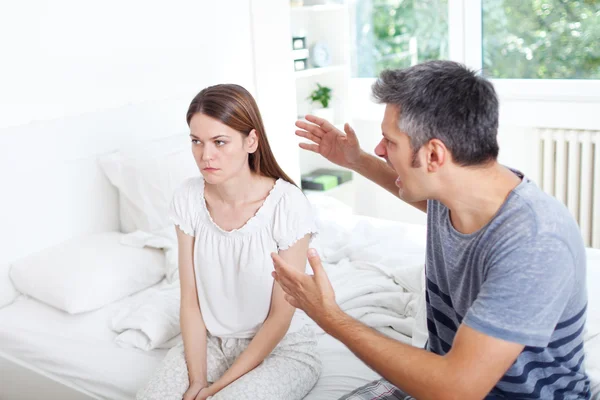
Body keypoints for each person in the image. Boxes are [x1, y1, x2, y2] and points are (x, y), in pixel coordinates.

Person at [272, 60, 590, 399]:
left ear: (434, 155)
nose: (380, 149)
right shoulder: (461, 185)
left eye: (389, 142)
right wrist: (355, 159)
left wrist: (329, 315)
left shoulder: (536, 242)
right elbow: (411, 190)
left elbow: (457, 388)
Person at [137, 84, 321, 400]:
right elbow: (190, 300)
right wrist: (197, 381)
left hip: (282, 348)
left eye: (220, 142)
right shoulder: (188, 198)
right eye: (197, 142)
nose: (206, 155)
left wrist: (217, 388)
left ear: (251, 141)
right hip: (211, 342)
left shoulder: (287, 204)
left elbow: (280, 317)